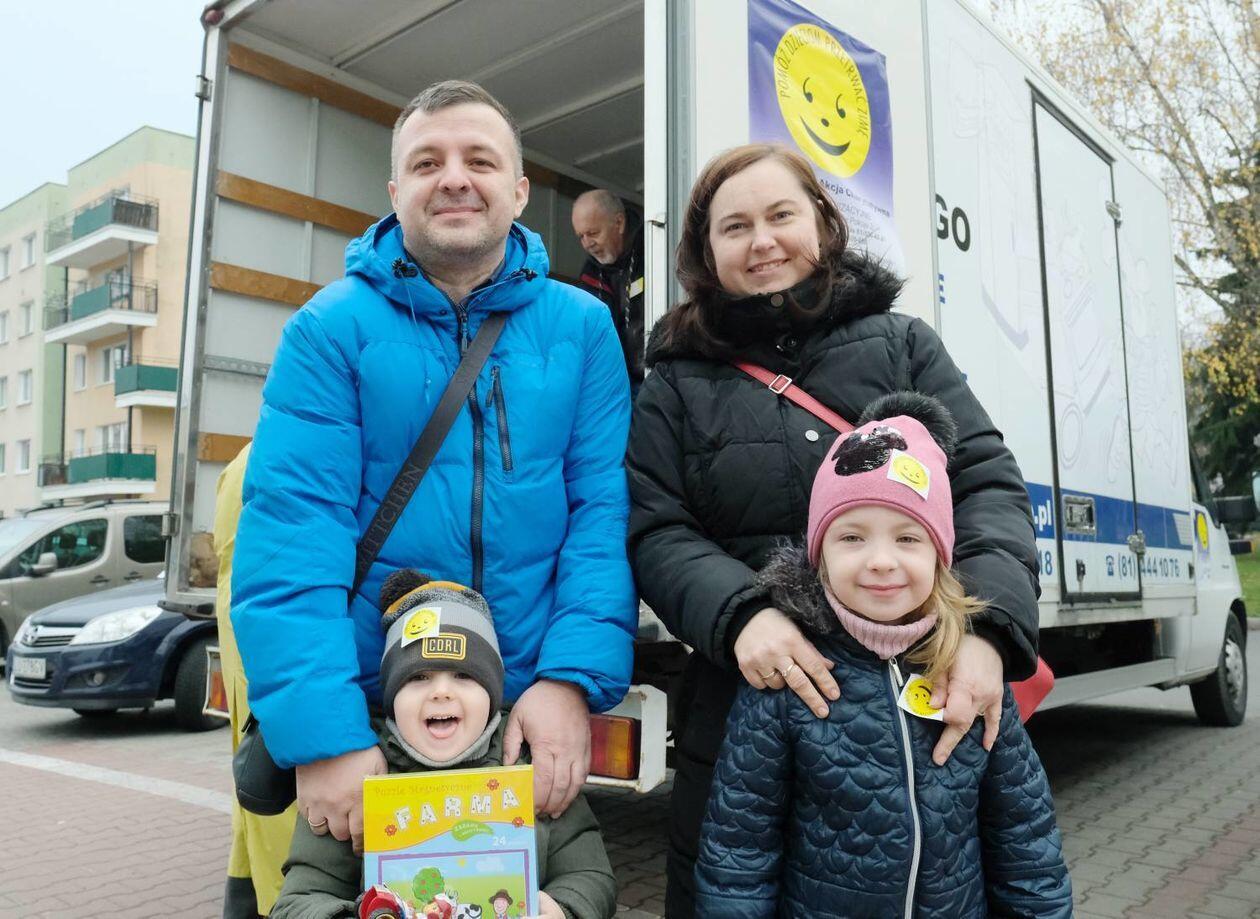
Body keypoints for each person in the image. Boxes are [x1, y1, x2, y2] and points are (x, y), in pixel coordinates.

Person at [626, 144, 1042, 916]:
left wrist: (986, 632)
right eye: (735, 226)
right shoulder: (676, 383)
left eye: (781, 215)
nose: (762, 240)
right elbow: (657, 528)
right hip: (748, 703)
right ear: (705, 253)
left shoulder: (903, 343)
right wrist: (741, 614)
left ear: (822, 222)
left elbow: (985, 485)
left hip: (918, 701)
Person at [232, 80, 636, 858]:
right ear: (395, 192)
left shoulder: (584, 328)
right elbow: (293, 538)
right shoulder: (328, 329)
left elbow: (602, 517)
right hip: (373, 719)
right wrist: (327, 736)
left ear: (520, 190)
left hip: (521, 714)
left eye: (479, 160)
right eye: (427, 162)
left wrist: (568, 681)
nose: (454, 178)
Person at [694, 392, 1072, 917]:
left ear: (940, 555)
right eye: (852, 537)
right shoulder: (790, 678)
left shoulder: (971, 670)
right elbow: (739, 854)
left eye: (908, 538)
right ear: (819, 555)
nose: (880, 561)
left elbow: (1025, 842)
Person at [271, 573, 618, 919]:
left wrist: (564, 910)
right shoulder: (353, 782)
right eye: (418, 677)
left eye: (463, 676)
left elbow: (588, 874)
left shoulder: (531, 770)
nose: (441, 692)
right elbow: (301, 897)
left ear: (491, 694)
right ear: (392, 697)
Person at [214, 443, 299, 918]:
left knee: (256, 780)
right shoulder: (283, 454)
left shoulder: (244, 460)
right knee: (282, 793)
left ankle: (251, 896)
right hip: (276, 650)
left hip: (247, 641)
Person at [571, 189, 645, 390]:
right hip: (617, 385)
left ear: (619, 223)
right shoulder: (589, 274)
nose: (587, 244)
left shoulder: (654, 248)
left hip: (657, 378)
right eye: (581, 236)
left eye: (593, 233)